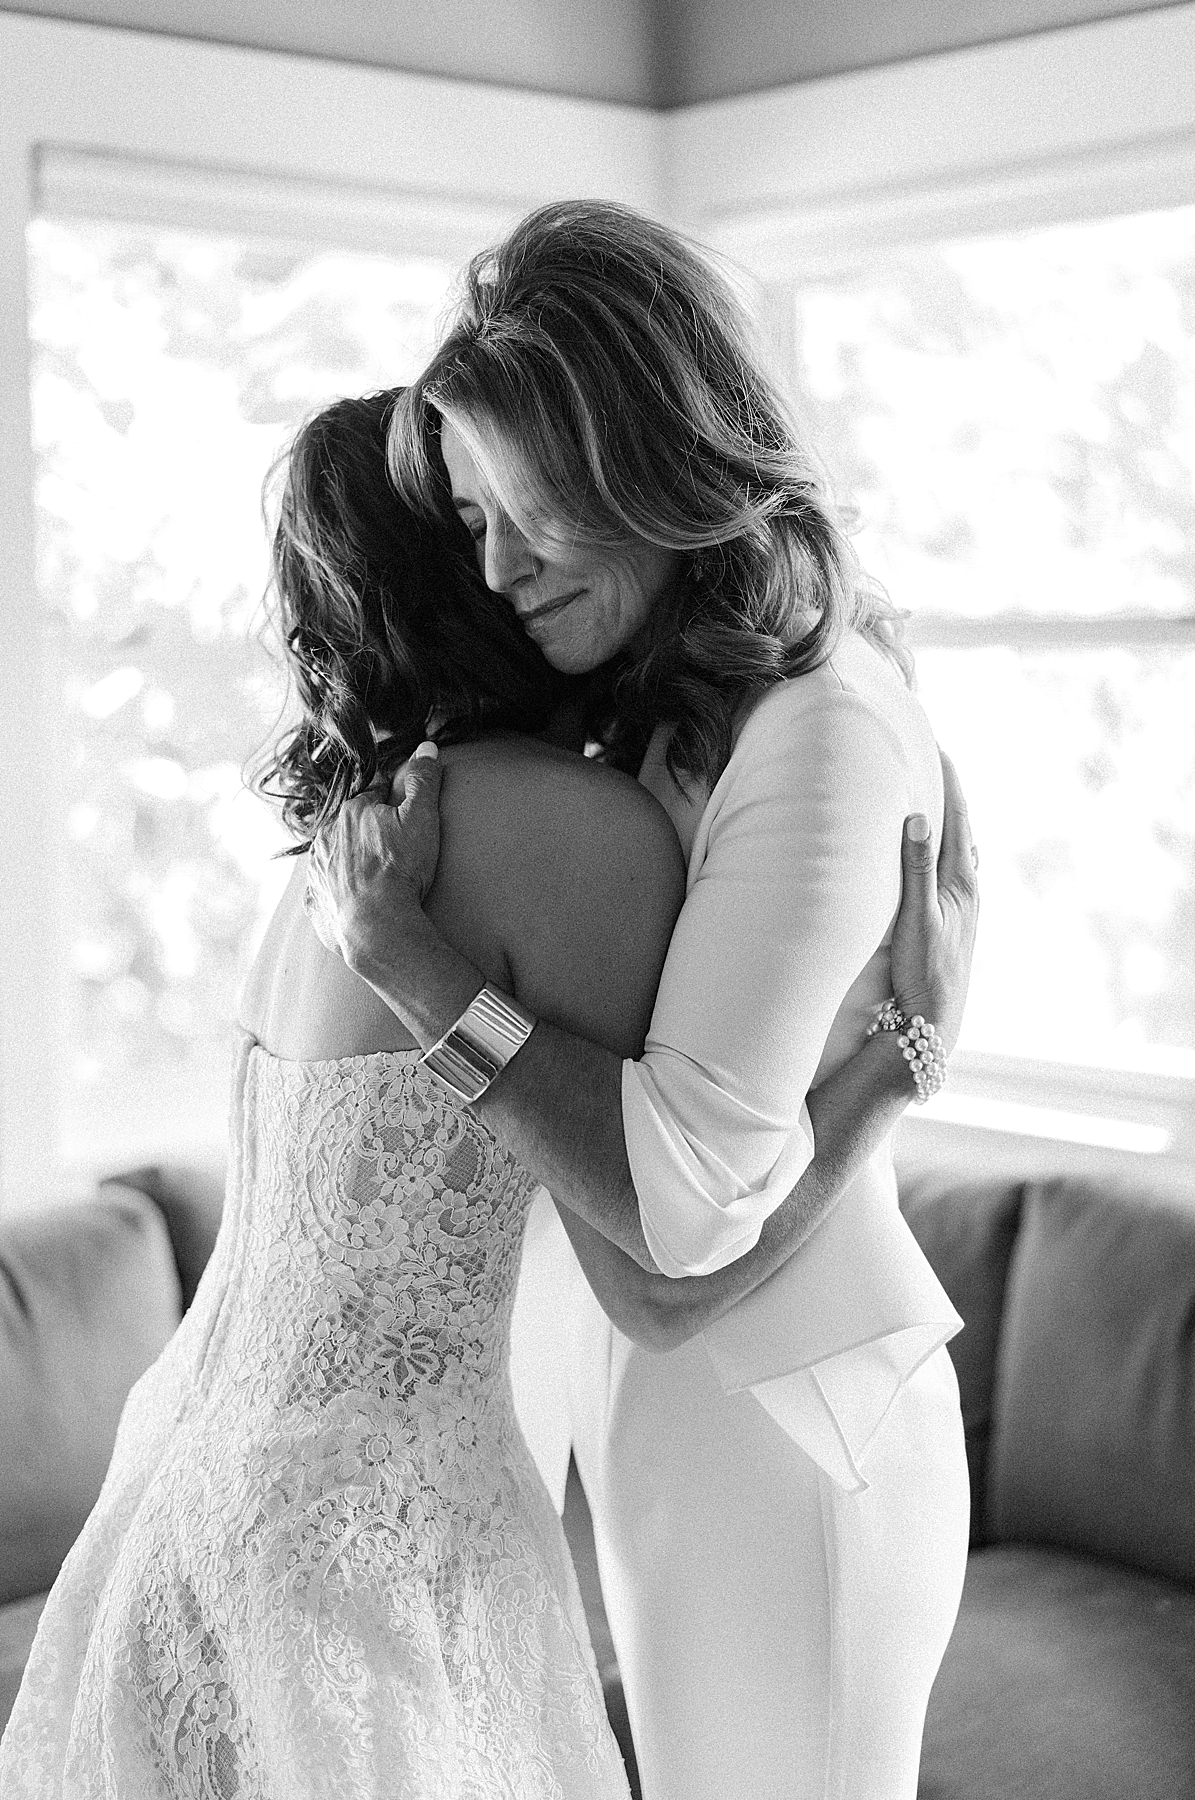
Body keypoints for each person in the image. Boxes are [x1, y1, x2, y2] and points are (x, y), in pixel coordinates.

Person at [0, 390, 973, 1799]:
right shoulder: (572, 834)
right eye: (480, 519)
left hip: (188, 1506)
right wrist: (895, 1069)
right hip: (374, 1556)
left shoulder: (351, 844)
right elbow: (659, 1263)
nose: (517, 552)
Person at [307, 203, 979, 1800]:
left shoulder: (817, 734)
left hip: (796, 1418)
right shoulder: (700, 712)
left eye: (525, 507)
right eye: (469, 520)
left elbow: (677, 1216)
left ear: (651, 452)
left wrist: (424, 976)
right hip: (691, 1411)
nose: (495, 565)